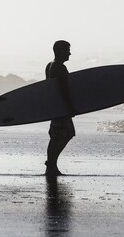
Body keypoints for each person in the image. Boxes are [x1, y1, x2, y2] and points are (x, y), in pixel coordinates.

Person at [45, 40, 77, 177]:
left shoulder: (50, 65)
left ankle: (51, 165)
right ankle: (51, 164)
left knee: (56, 136)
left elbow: (49, 88)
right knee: (65, 134)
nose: (70, 53)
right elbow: (63, 90)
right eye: (67, 50)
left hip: (56, 107)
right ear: (60, 51)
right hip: (61, 108)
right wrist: (70, 107)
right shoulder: (59, 67)